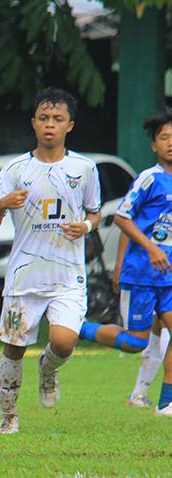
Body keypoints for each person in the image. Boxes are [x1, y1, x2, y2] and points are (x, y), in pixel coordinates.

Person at [0, 88, 102, 435]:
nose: (50, 125)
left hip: (67, 276)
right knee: (14, 346)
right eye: (44, 118)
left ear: (70, 125)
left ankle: (48, 370)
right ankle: (9, 416)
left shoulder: (84, 168)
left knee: (64, 342)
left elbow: (95, 213)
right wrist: (3, 204)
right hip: (25, 276)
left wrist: (85, 226)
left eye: (58, 119)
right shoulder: (16, 169)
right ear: (33, 123)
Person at [81, 109, 172, 415]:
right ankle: (78, 327)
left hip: (169, 276)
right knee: (136, 342)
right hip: (144, 274)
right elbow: (122, 218)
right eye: (164, 138)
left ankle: (165, 402)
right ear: (154, 146)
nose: (171, 143)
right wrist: (149, 249)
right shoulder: (149, 179)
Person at [111, 233, 170, 406]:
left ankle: (141, 393)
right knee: (139, 339)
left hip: (161, 272)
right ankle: (154, 398)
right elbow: (125, 221)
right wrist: (119, 264)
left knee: (160, 327)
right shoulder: (154, 207)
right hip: (149, 272)